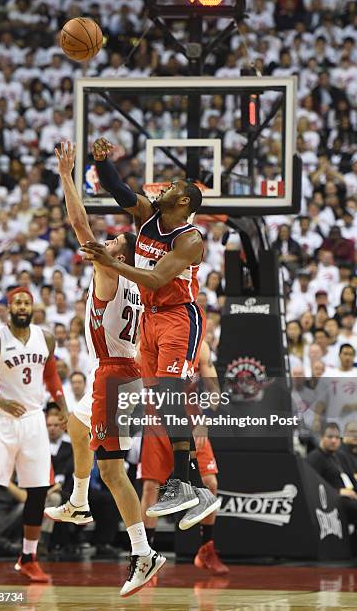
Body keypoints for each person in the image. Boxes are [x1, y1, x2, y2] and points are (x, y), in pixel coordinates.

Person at [44, 142, 165, 597]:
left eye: (115, 239)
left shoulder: (111, 270)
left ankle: (143, 552)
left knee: (112, 472)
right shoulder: (133, 280)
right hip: (121, 370)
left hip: (114, 376)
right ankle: (77, 502)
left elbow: (78, 223)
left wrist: (67, 174)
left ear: (122, 252)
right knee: (76, 426)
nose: (107, 238)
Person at [81, 137, 218, 524]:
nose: (164, 187)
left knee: (173, 395)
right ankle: (191, 487)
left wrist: (110, 261)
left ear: (184, 202)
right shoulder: (148, 216)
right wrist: (102, 163)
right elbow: (120, 190)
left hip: (178, 315)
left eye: (172, 187)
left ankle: (188, 485)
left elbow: (157, 277)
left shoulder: (191, 240)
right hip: (150, 318)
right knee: (160, 400)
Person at [0, 287, 69, 582]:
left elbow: (51, 375)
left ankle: (28, 557)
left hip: (34, 420)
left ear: (32, 308)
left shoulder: (44, 338)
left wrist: (62, 404)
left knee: (38, 489)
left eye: (26, 303)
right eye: (17, 302)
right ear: (8, 308)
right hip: (2, 420)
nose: (22, 307)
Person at [139, 341, 226, 573]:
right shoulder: (147, 343)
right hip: (156, 421)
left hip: (189, 418)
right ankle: (147, 557)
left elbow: (214, 391)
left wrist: (204, 420)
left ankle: (206, 550)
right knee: (150, 488)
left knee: (210, 483)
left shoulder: (200, 346)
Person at [307, 422, 357, 528]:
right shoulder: (315, 458)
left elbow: (351, 478)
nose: (334, 440)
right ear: (322, 437)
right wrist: (338, 492)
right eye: (330, 437)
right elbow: (311, 485)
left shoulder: (340, 456)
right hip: (334, 500)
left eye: (337, 437)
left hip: (351, 496)